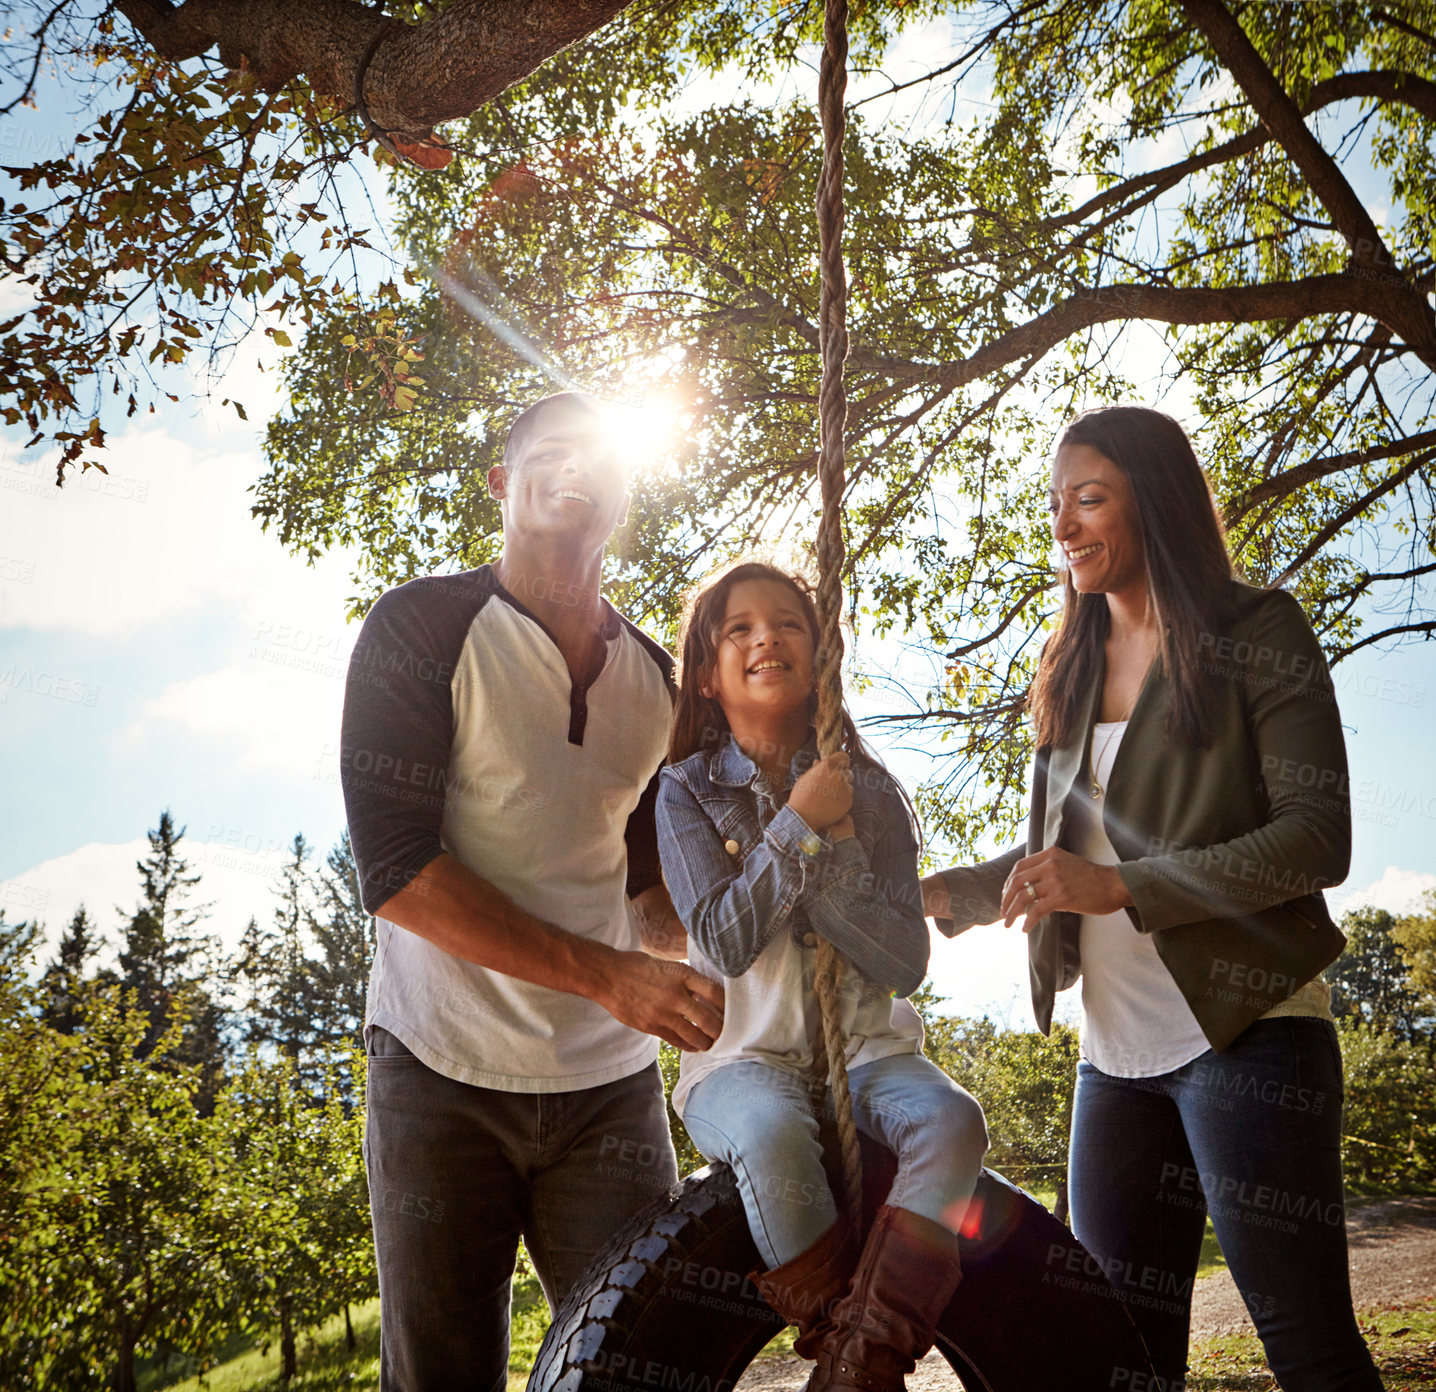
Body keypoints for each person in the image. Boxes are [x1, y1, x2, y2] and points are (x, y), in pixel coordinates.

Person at [921, 406, 1382, 1392]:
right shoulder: (1069, 661)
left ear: (1156, 502)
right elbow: (1067, 845)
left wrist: (1121, 887)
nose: (1063, 527)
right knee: (1121, 1361)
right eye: (1055, 505)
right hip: (1115, 1061)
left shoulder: (1255, 631)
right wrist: (949, 893)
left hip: (1246, 1032)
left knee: (1302, 1339)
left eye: (1087, 500)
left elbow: (1315, 839)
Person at [340, 391, 725, 1392]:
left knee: (643, 1362)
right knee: (440, 1375)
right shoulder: (421, 625)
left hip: (607, 1094)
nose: (573, 474)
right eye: (547, 457)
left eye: (597, 459)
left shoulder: (655, 685)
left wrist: (746, 943)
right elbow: (393, 873)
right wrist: (611, 977)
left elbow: (653, 898)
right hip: (437, 1070)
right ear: (501, 484)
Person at [657, 561, 989, 1392]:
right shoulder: (683, 792)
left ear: (820, 655)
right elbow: (726, 938)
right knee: (770, 1135)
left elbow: (904, 962)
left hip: (872, 1054)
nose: (766, 636)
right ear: (707, 674)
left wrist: (836, 831)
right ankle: (840, 1345)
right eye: (739, 628)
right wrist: (801, 825)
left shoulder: (872, 793)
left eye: (788, 623)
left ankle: (863, 1365)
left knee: (954, 1122)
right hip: (743, 1061)